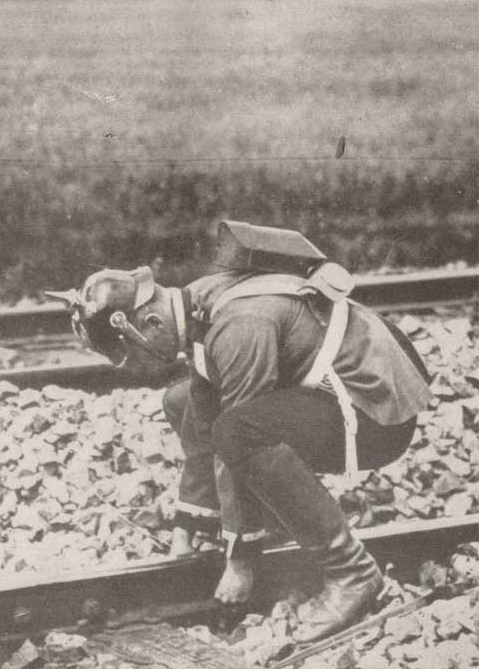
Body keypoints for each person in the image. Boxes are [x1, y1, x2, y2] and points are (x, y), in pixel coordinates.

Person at [54, 220, 434, 642]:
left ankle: (352, 571)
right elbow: (203, 407)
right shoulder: (194, 303)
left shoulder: (239, 326)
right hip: (347, 396)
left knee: (240, 433)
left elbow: (232, 436)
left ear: (152, 322)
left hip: (377, 415)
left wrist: (240, 559)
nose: (140, 364)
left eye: (132, 350)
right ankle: (257, 520)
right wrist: (188, 524)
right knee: (181, 401)